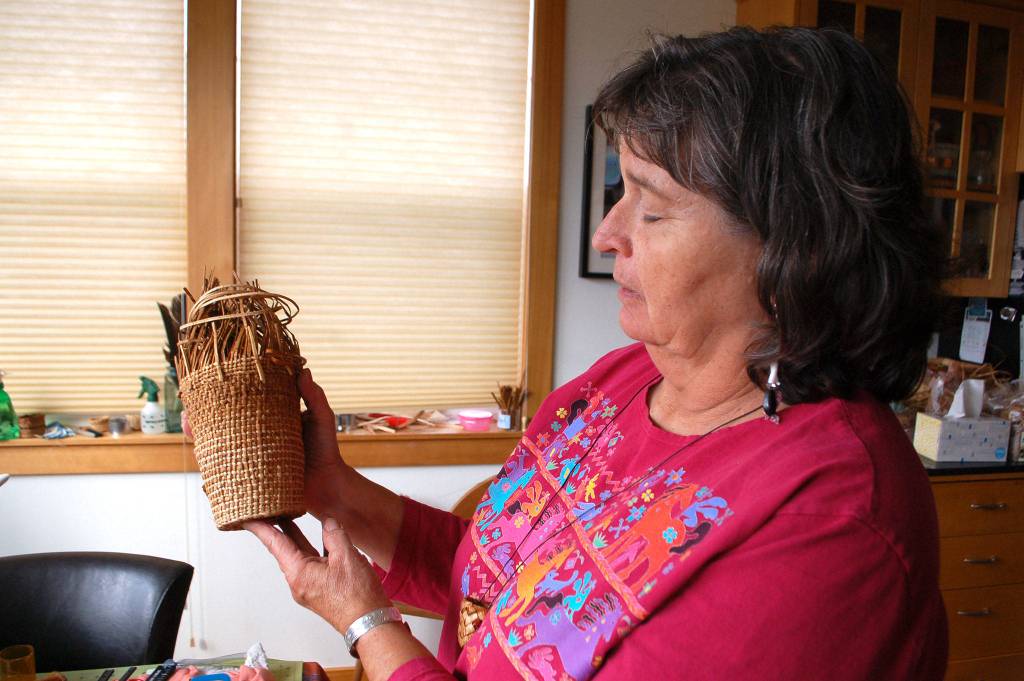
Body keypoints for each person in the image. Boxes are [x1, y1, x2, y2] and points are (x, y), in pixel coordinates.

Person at [245, 26, 949, 680]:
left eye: (652, 205)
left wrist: (365, 622)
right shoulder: (620, 381)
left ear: (794, 248)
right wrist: (333, 490)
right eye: (621, 190)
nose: (606, 233)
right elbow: (492, 580)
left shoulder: (831, 516)